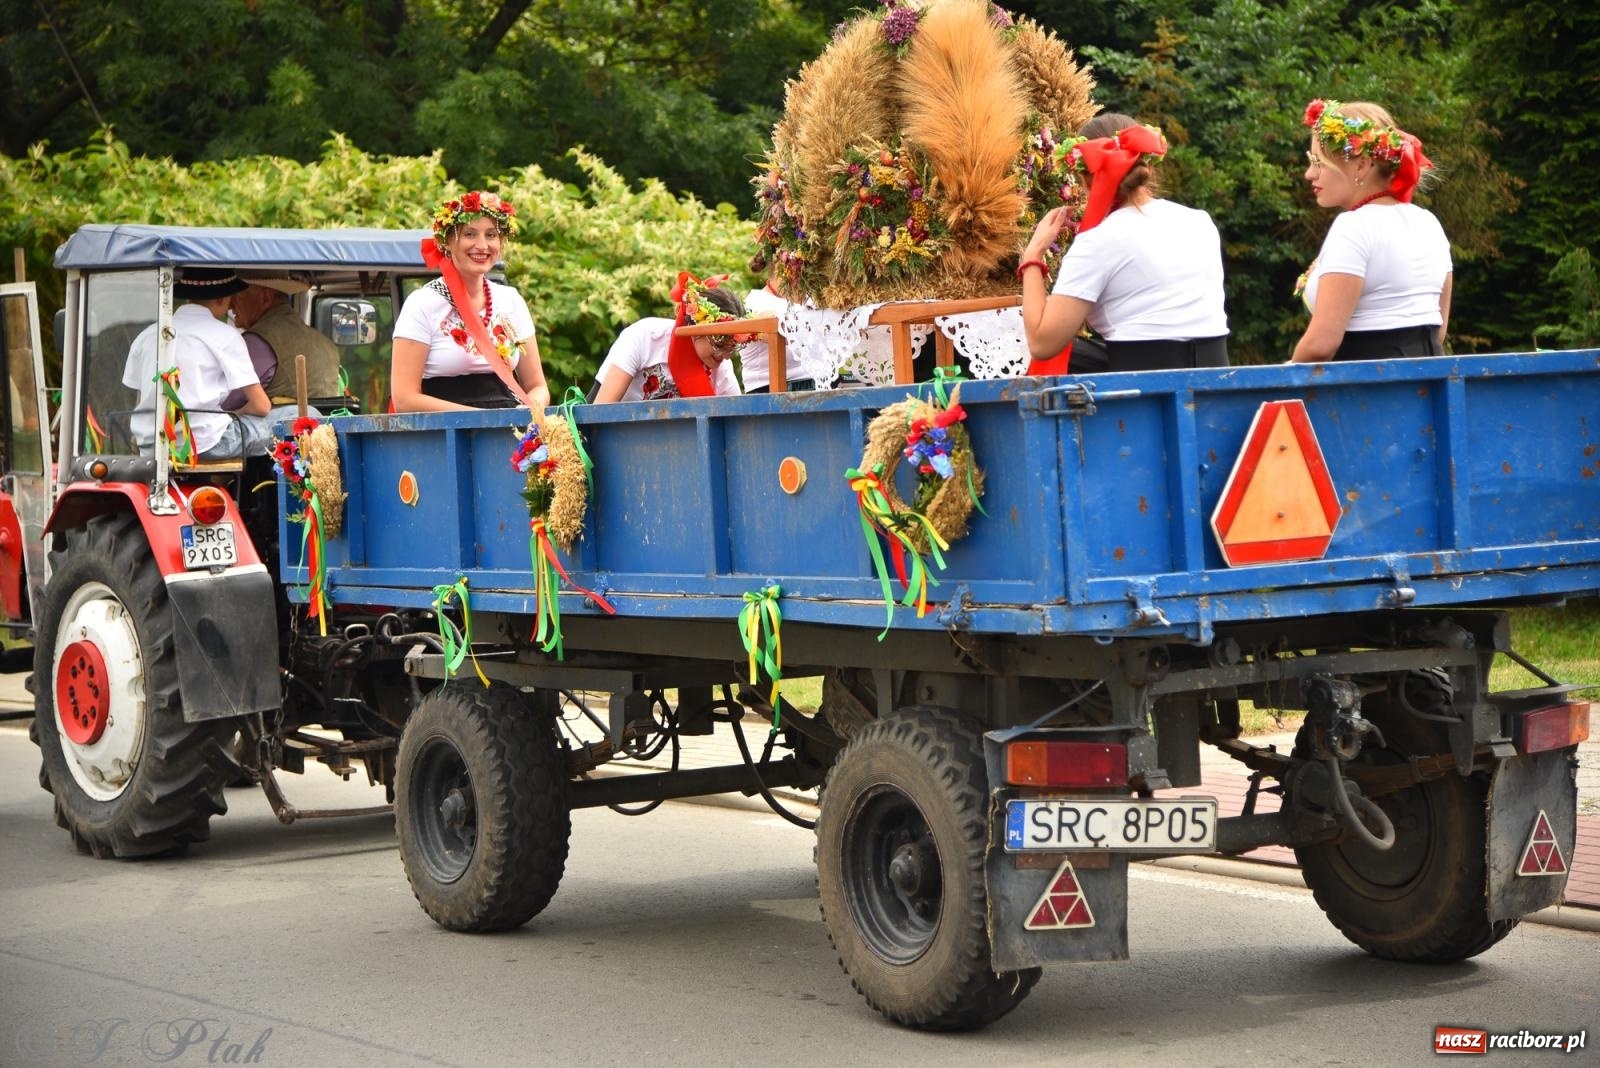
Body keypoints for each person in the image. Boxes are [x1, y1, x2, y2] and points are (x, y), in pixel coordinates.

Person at [1020, 113, 1229, 374]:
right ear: (1148, 166)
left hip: (1144, 389)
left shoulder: (1098, 242)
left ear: (1086, 180)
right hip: (1216, 376)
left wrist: (1033, 255)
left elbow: (1041, 344)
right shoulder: (1201, 222)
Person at [1290, 99, 1450, 363]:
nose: (1309, 174)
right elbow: (1438, 329)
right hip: (1426, 385)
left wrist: (1282, 378)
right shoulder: (1428, 222)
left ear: (1362, 165)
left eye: (1318, 162)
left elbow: (1321, 344)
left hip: (1366, 393)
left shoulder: (1354, 226)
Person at [391, 190, 551, 412]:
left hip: (508, 430)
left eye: (491, 235)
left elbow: (538, 386)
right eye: (469, 234)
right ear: (447, 242)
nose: (482, 245)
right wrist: (482, 420)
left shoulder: (511, 300)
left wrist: (530, 409)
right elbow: (404, 399)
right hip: (444, 436)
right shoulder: (422, 304)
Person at [121, 267, 272, 461]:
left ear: (188, 298)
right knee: (294, 418)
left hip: (151, 444)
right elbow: (262, 406)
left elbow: (141, 400)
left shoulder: (146, 335)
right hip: (204, 444)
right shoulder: (225, 335)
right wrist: (236, 413)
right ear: (222, 299)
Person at [592, 273, 744, 403]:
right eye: (719, 345)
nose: (725, 355)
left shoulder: (722, 368)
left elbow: (736, 422)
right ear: (696, 328)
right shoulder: (645, 336)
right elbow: (601, 409)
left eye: (732, 346)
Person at [230, 276, 346, 411]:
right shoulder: (327, 343)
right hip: (323, 430)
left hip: (277, 431)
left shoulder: (257, 341)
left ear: (265, 297)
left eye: (236, 297)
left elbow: (228, 401)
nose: (230, 304)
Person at [740, 271, 815, 393]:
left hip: (818, 386)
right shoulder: (756, 302)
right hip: (771, 392)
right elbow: (792, 336)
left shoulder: (811, 300)